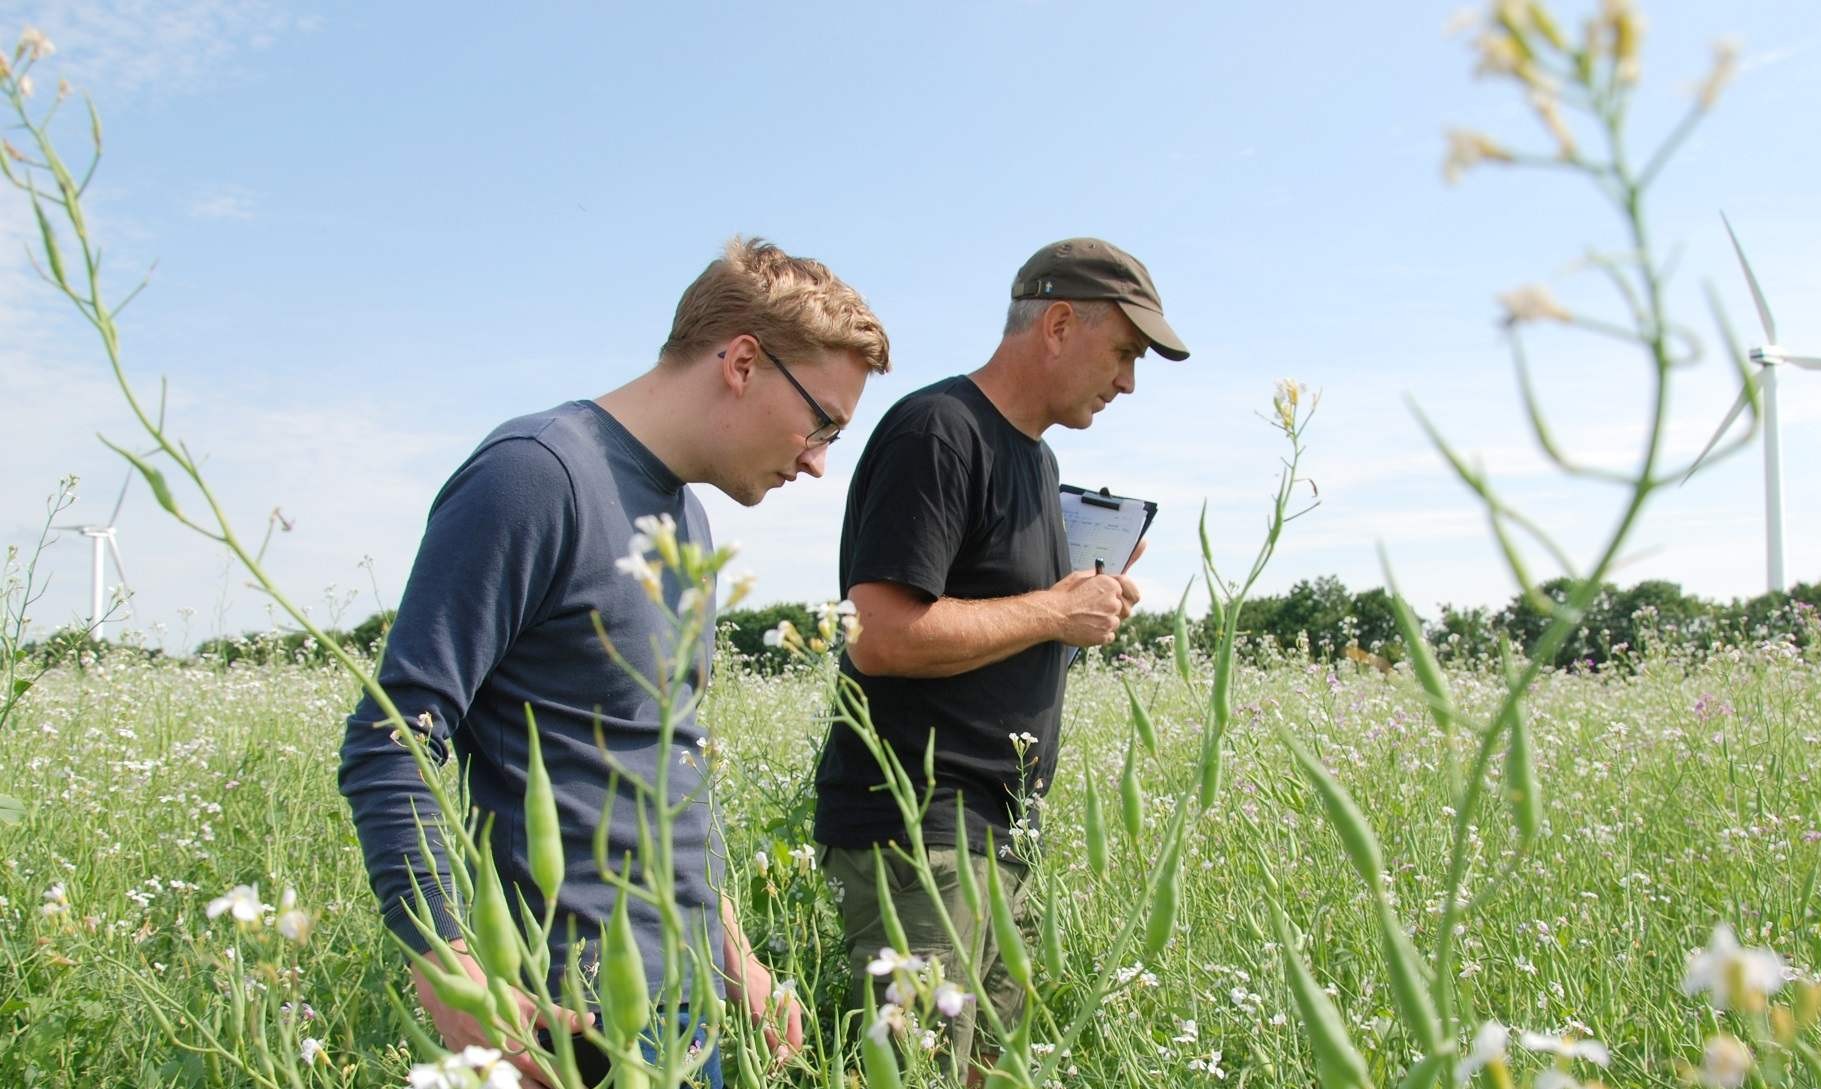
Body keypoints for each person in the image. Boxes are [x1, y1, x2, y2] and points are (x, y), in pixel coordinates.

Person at [339, 237, 890, 1087]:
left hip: (686, 1006)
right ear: (744, 361)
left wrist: (733, 953)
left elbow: (666, 758)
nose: (819, 459)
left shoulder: (688, 525)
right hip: (564, 1016)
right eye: (822, 421)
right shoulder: (534, 476)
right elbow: (393, 737)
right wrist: (451, 965)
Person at [812, 237, 1188, 1078]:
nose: (1128, 381)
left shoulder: (1038, 457)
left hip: (998, 829)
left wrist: (1074, 611)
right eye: (1125, 352)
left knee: (986, 1069)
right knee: (920, 1071)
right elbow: (878, 635)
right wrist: (1055, 607)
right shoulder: (939, 431)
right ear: (1059, 323)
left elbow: (996, 628)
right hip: (921, 827)